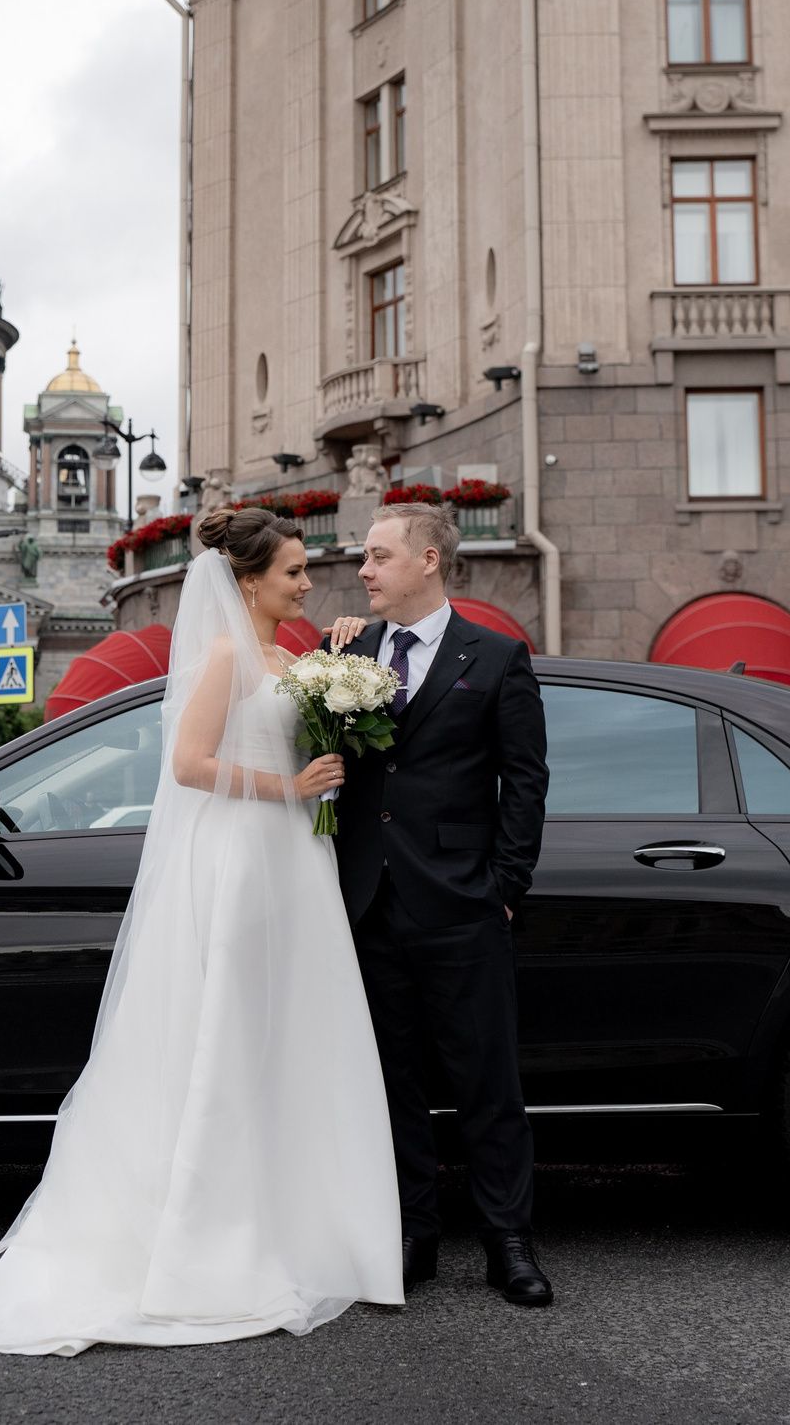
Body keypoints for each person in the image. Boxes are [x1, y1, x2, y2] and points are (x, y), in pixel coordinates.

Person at [0, 506, 401, 1356]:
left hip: (292, 868)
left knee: (286, 1037)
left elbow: (312, 723)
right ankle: (208, 1244)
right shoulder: (230, 654)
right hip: (244, 855)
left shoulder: (287, 656)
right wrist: (291, 786)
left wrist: (342, 670)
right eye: (294, 573)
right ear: (248, 581)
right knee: (224, 1039)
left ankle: (295, 1220)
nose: (308, 585)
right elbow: (189, 766)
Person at [322, 503, 555, 1308]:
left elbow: (525, 782)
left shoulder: (495, 658)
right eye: (363, 557)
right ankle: (413, 1234)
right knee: (392, 1080)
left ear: (427, 560)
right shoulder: (345, 650)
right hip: (371, 901)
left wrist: (506, 887)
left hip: (462, 902)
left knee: (487, 1079)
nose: (363, 569)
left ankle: (509, 1242)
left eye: (378, 556)